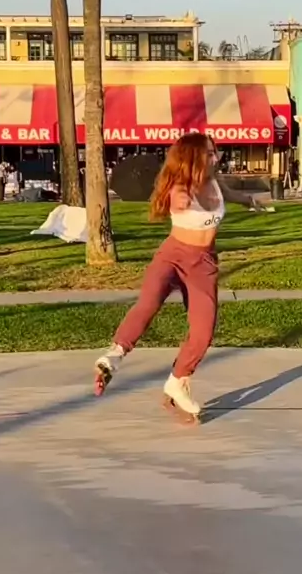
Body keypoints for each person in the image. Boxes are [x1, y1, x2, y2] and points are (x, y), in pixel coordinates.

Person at [93, 132, 268, 421]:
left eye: (214, 151)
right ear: (193, 157)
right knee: (149, 303)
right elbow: (176, 201)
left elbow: (230, 195)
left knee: (203, 332)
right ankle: (114, 355)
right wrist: (179, 199)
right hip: (172, 257)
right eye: (209, 153)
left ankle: (177, 381)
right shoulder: (180, 189)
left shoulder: (214, 179)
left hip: (203, 264)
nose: (216, 157)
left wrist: (250, 200)